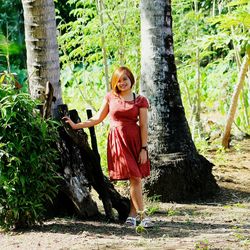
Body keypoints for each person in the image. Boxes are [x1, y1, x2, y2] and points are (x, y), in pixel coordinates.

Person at [63, 66, 153, 228]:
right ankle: (143, 216)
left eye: (125, 79)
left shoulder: (140, 100)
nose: (122, 83)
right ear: (114, 83)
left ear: (131, 79)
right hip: (118, 141)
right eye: (118, 81)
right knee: (135, 177)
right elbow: (97, 118)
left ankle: (132, 215)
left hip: (136, 142)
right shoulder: (111, 97)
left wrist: (144, 148)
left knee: (135, 179)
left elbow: (144, 125)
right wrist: (76, 126)